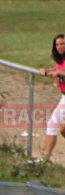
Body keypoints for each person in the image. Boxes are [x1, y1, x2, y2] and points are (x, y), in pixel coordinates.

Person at [39, 34, 65, 162]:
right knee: (63, 129)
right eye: (57, 44)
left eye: (62, 44)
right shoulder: (61, 60)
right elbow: (56, 69)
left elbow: (61, 71)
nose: (60, 47)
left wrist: (59, 73)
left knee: (52, 124)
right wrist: (47, 71)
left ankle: (45, 159)